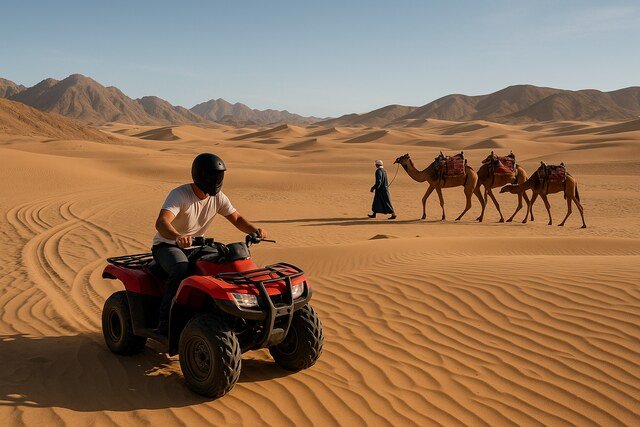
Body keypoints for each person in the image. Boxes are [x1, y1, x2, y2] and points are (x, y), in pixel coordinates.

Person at [151, 153, 267, 334]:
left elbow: (237, 218)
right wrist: (177, 236)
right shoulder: (180, 194)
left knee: (223, 262)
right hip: (168, 245)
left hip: (196, 246)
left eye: (219, 175)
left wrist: (254, 230)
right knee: (181, 268)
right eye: (212, 176)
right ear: (200, 176)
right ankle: (165, 321)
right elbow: (161, 223)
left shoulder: (218, 197)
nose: (216, 180)